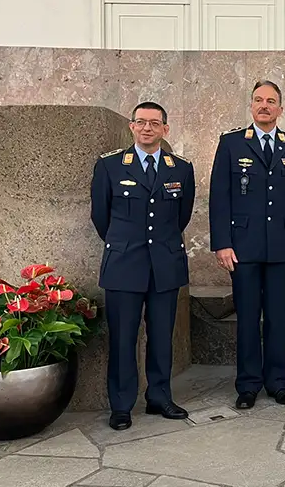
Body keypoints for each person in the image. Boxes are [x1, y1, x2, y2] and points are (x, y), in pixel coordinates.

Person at [90, 101, 195, 431]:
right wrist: (123, 243)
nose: (148, 128)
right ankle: (121, 405)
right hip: (124, 264)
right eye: (141, 122)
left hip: (165, 263)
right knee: (123, 338)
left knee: (162, 335)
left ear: (165, 129)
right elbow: (101, 216)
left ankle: (159, 396)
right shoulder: (110, 167)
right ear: (132, 127)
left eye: (155, 123)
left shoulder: (180, 169)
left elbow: (182, 216)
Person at [208, 80, 285, 410]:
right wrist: (222, 243)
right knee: (248, 317)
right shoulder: (232, 143)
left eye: (271, 101)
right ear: (251, 106)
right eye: (258, 100)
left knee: (278, 318)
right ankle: (248, 384)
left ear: (281, 109)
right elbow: (219, 197)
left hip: (282, 247)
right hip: (243, 247)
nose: (264, 105)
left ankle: (278, 382)